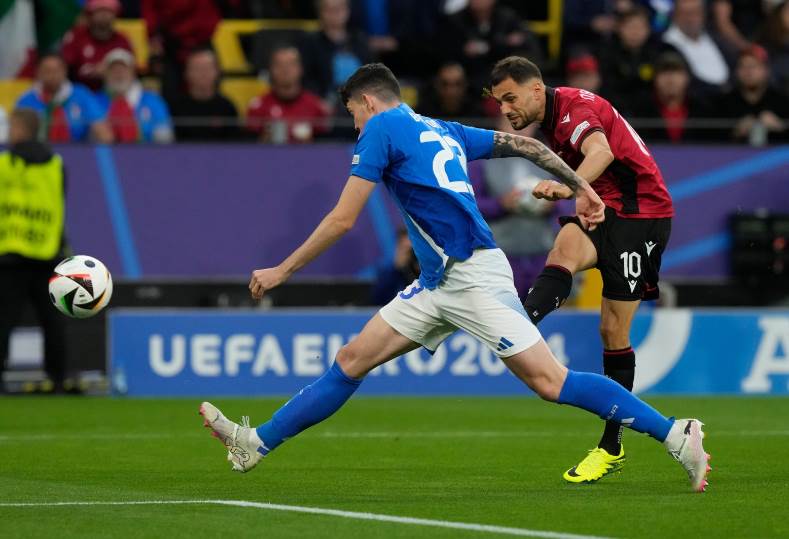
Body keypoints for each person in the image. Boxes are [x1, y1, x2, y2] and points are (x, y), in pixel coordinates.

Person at [199, 63, 710, 494]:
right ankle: (255, 443)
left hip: (472, 278)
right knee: (352, 360)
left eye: (353, 112)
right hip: (437, 282)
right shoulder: (442, 128)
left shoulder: (381, 129)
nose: (354, 125)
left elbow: (342, 219)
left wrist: (282, 270)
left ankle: (674, 433)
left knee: (550, 382)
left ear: (369, 102)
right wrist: (583, 187)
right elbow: (525, 147)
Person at [488, 56, 676, 483]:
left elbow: (601, 151)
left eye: (511, 98)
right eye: (500, 102)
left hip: (642, 214)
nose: (506, 109)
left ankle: (611, 447)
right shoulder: (551, 118)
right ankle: (520, 323)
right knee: (563, 250)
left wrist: (566, 185)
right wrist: (586, 193)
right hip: (607, 205)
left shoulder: (574, 109)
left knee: (613, 331)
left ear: (537, 89)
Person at [0, 108, 69, 394]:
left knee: (4, 320)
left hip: (12, 251)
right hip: (46, 250)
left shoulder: (5, 163)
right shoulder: (56, 164)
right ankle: (58, 379)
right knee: (52, 321)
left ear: (20, 128)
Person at [443, 0, 543, 89]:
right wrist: (503, 43)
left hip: (502, 71)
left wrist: (488, 47)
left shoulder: (507, 16)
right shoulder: (456, 19)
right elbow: (449, 49)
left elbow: (524, 40)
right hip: (470, 74)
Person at [16, 54, 113, 143]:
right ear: (38, 73)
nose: (52, 75)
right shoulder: (26, 100)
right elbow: (18, 136)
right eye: (47, 71)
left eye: (57, 70)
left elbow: (103, 131)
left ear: (65, 71)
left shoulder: (81, 94)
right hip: (38, 151)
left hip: (77, 151)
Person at [247, 45, 329, 143]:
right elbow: (246, 146)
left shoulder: (316, 106)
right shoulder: (258, 107)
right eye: (279, 65)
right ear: (271, 69)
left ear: (301, 69)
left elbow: (328, 144)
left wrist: (312, 144)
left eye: (291, 64)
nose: (285, 70)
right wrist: (263, 141)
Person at [714, 44, 789, 144]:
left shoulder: (783, 103)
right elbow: (705, 140)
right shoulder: (722, 104)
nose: (748, 72)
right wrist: (735, 132)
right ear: (736, 71)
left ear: (766, 70)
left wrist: (781, 128)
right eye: (743, 67)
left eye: (754, 66)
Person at [96, 48, 174, 143]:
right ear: (105, 74)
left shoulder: (153, 100)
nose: (119, 74)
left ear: (133, 72)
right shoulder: (95, 101)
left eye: (124, 69)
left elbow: (164, 138)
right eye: (113, 69)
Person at [299, 0, 371, 102]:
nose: (335, 13)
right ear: (320, 12)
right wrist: (319, 101)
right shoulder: (310, 43)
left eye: (340, 8)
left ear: (348, 10)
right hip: (326, 103)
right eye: (329, 9)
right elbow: (306, 79)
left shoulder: (359, 40)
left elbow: (374, 73)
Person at [632, 52, 711, 143]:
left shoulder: (703, 110)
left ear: (687, 78)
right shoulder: (641, 111)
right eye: (664, 72)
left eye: (676, 72)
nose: (670, 79)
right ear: (655, 79)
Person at [168, 47, 239, 142]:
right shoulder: (175, 108)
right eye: (197, 68)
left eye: (208, 68)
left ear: (217, 72)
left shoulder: (227, 107)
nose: (203, 73)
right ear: (186, 73)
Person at [60, 0, 133, 91]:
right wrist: (93, 70)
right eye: (99, 11)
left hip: (114, 92)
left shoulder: (122, 40)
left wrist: (109, 70)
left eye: (108, 11)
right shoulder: (76, 36)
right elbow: (65, 67)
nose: (104, 15)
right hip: (78, 91)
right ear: (90, 14)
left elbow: (131, 70)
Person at [662, 0, 732, 90]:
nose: (691, 19)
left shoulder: (715, 38)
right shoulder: (667, 44)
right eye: (686, 14)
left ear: (703, 14)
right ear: (675, 16)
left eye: (696, 12)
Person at [417, 62, 486, 123]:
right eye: (444, 84)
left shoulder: (478, 114)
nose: (451, 91)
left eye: (458, 84)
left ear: (466, 85)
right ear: (436, 85)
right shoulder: (423, 113)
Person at [370, 229, 419, 305]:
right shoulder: (386, 269)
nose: (412, 254)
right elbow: (378, 299)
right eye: (407, 249)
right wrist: (397, 269)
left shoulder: (429, 268)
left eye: (413, 249)